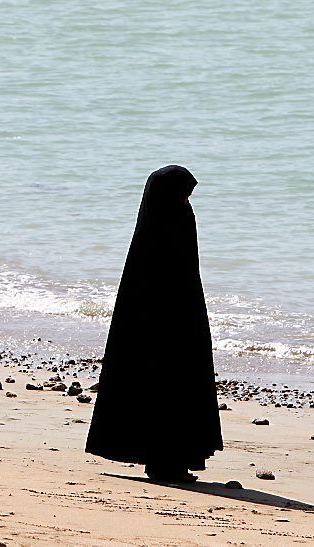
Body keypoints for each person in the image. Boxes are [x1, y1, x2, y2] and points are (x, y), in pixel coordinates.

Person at [85, 165, 223, 483]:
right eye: (185, 194)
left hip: (171, 318)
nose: (188, 201)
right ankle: (166, 463)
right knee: (168, 387)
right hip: (172, 322)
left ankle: (169, 461)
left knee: (169, 386)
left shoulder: (158, 224)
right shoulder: (172, 220)